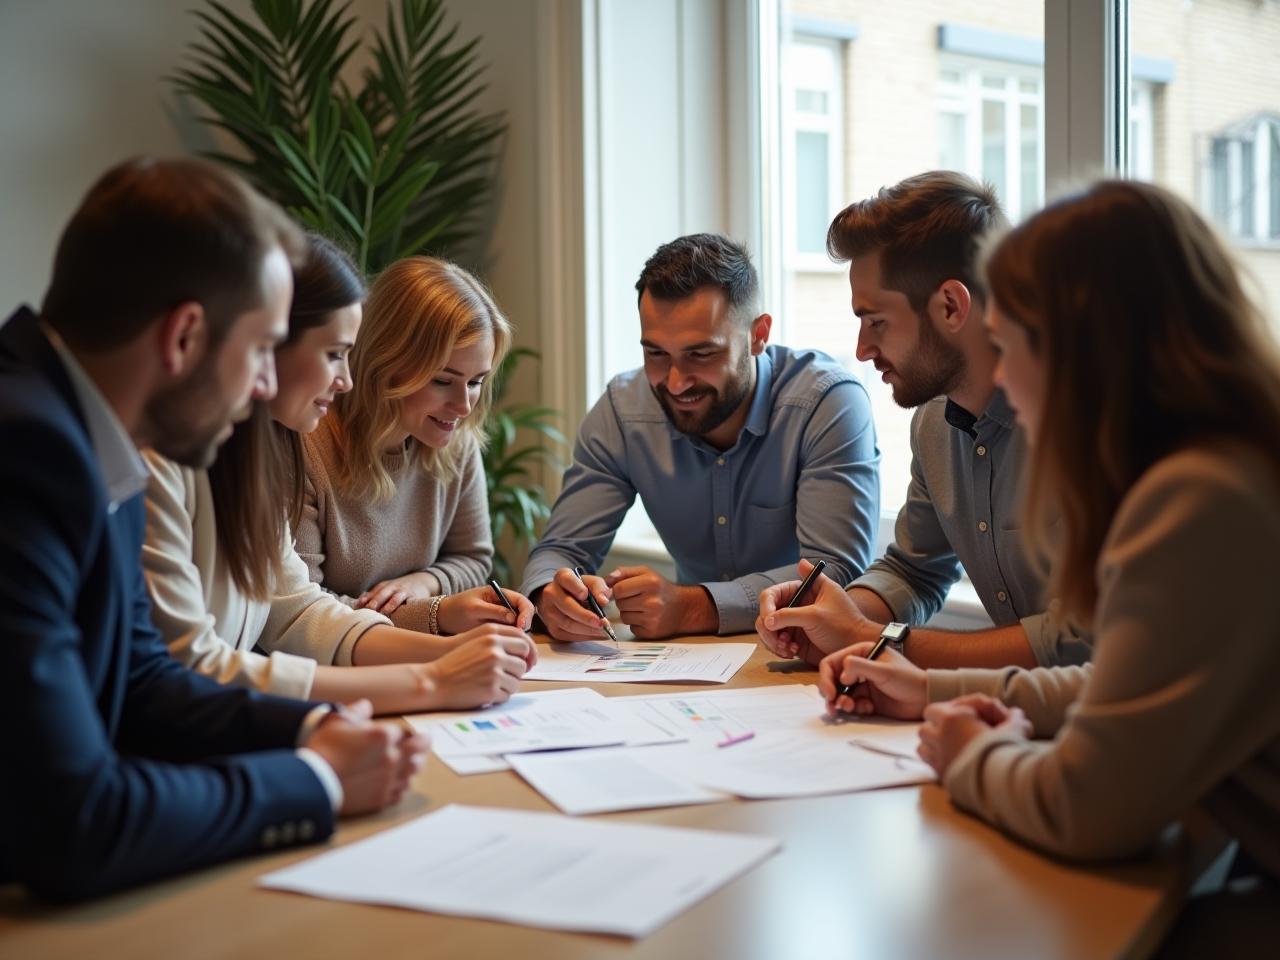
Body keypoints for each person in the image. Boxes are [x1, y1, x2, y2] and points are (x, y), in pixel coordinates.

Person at [815, 181, 1280, 923]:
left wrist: (969, 755)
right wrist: (932, 693)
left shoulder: (1199, 499)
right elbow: (1123, 679)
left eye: (1014, 332)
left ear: (1086, 343)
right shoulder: (1219, 464)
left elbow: (1092, 806)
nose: (999, 362)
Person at [0, 157, 428, 902]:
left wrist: (314, 729)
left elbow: (144, 680)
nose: (266, 385)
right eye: (262, 347)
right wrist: (318, 780)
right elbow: (73, 823)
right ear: (186, 337)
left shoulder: (88, 432)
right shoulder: (25, 453)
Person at [141, 235, 534, 714]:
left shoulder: (252, 452)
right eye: (334, 354)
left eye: (476, 382)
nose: (347, 379)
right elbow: (194, 666)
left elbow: (298, 610)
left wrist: (453, 654)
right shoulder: (166, 462)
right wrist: (431, 676)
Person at [757, 171, 1089, 670]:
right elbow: (915, 571)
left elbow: (1080, 640)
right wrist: (831, 618)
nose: (862, 350)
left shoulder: (1087, 421)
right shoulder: (934, 421)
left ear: (951, 306)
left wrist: (873, 641)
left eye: (876, 321)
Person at [522, 233, 880, 640]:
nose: (675, 383)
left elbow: (834, 569)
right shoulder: (623, 412)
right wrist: (551, 594)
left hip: (809, 657)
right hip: (688, 668)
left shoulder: (827, 403)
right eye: (656, 354)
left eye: (701, 354)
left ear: (758, 335)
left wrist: (694, 607)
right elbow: (561, 550)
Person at [298, 256, 523, 636]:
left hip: (407, 657)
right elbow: (302, 612)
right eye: (442, 380)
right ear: (385, 362)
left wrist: (425, 583)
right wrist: (433, 614)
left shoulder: (456, 438)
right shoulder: (306, 446)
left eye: (475, 381)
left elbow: (473, 557)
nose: (464, 406)